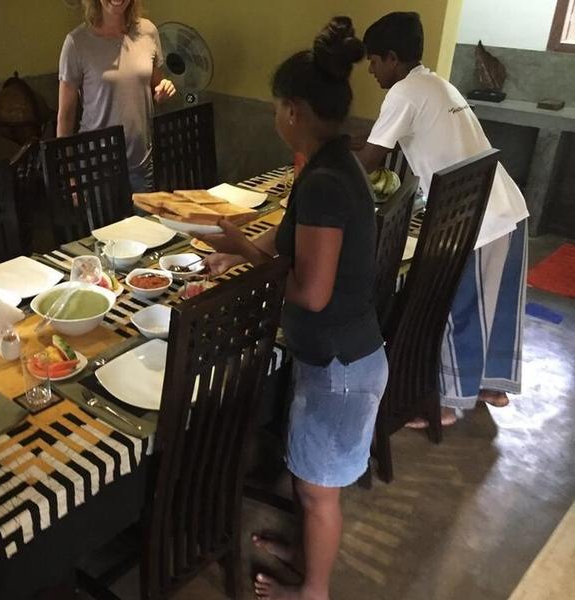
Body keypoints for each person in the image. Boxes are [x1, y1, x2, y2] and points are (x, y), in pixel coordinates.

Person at [200, 18, 386, 600]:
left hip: (340, 367)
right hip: (338, 359)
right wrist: (241, 250)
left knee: (317, 491)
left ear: (296, 111)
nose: (277, 114)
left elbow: (312, 292)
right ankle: (306, 553)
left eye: (280, 104)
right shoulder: (331, 163)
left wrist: (254, 279)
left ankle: (313, 591)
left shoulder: (327, 183)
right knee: (312, 480)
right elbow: (295, 257)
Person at [356, 12, 529, 427]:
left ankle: (450, 404)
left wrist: (327, 168)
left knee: (459, 305)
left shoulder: (403, 92)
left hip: (476, 218)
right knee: (495, 304)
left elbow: (369, 160)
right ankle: (489, 385)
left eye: (374, 62)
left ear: (393, 59)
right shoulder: (437, 83)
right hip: (507, 206)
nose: (372, 71)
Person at [57, 0, 176, 193]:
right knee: (105, 225)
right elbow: (65, 116)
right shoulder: (77, 42)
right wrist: (69, 174)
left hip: (141, 163)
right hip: (95, 166)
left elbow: (156, 84)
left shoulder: (148, 32)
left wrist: (163, 88)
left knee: (145, 224)